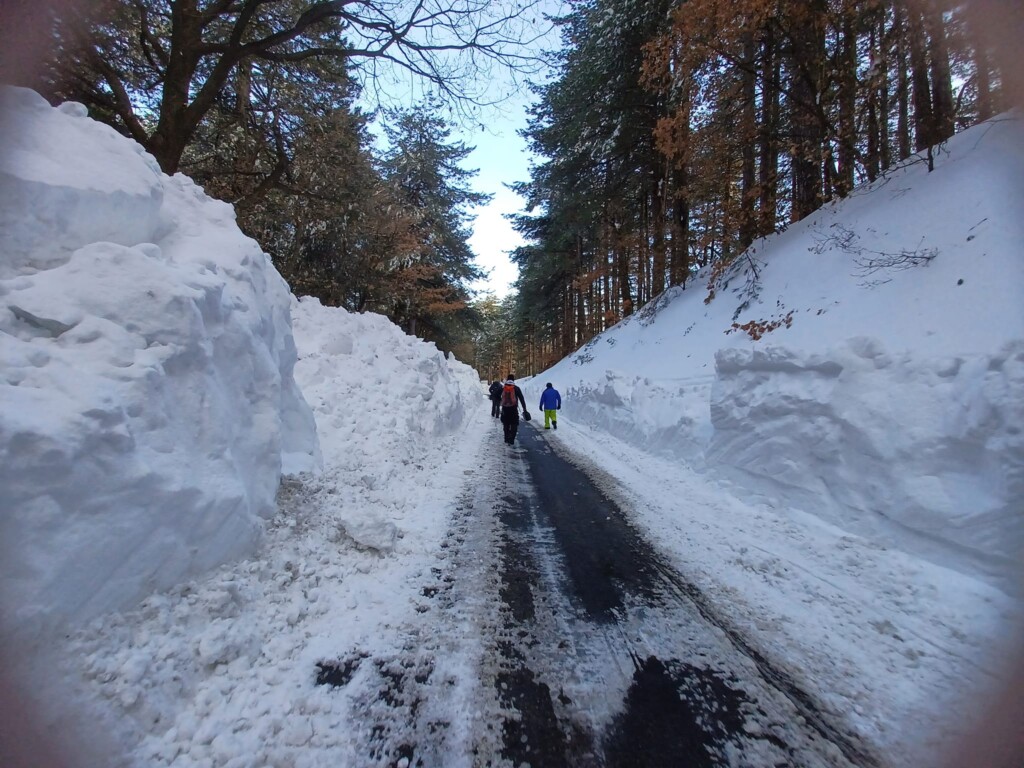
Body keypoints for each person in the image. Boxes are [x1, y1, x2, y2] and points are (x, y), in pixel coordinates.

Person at [499, 376, 528, 444]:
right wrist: (524, 409)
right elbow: (521, 399)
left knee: (506, 423)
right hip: (513, 409)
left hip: (505, 409)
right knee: (514, 423)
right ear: (513, 380)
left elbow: (496, 395)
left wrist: (500, 402)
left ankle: (506, 438)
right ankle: (512, 439)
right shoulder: (516, 388)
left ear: (507, 379)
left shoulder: (503, 388)